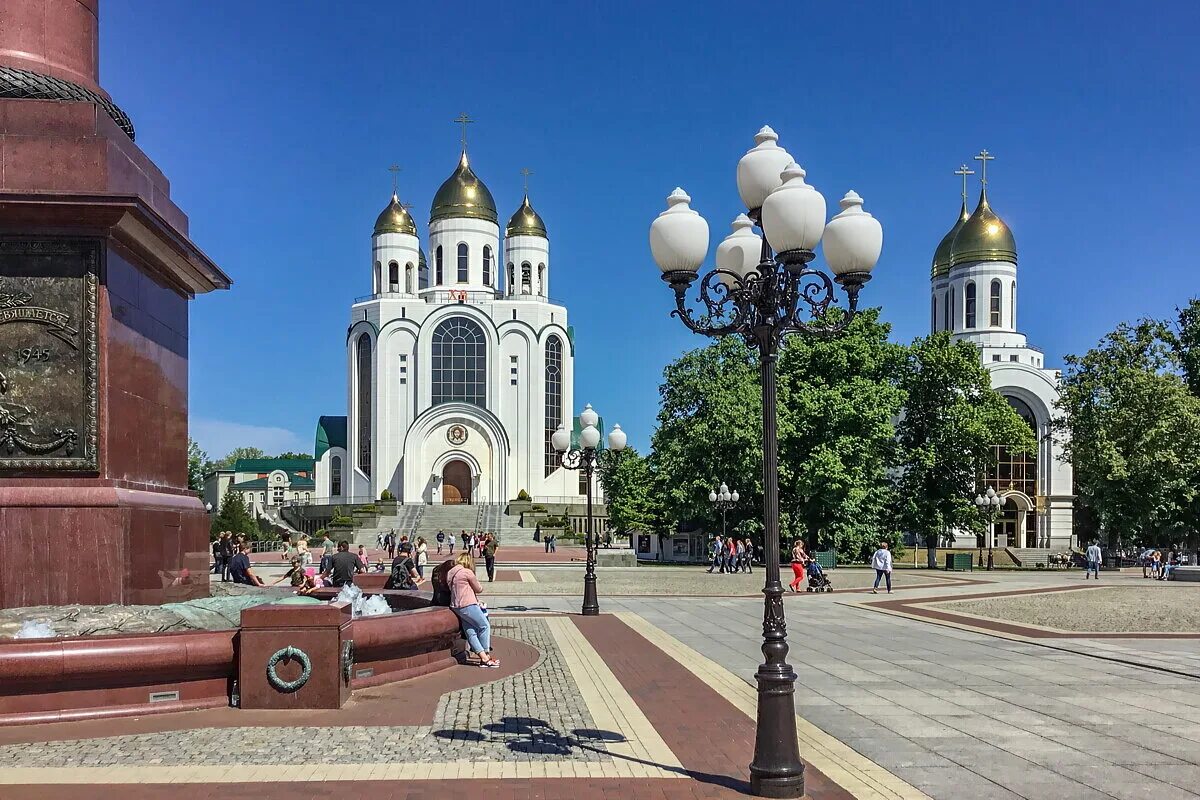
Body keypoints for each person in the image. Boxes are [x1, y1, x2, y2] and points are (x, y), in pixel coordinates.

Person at [447, 553, 498, 668]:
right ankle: (486, 655)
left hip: (455, 606)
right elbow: (479, 588)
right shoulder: (466, 572)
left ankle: (483, 658)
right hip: (468, 605)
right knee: (484, 626)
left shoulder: (450, 573)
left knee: (471, 631)